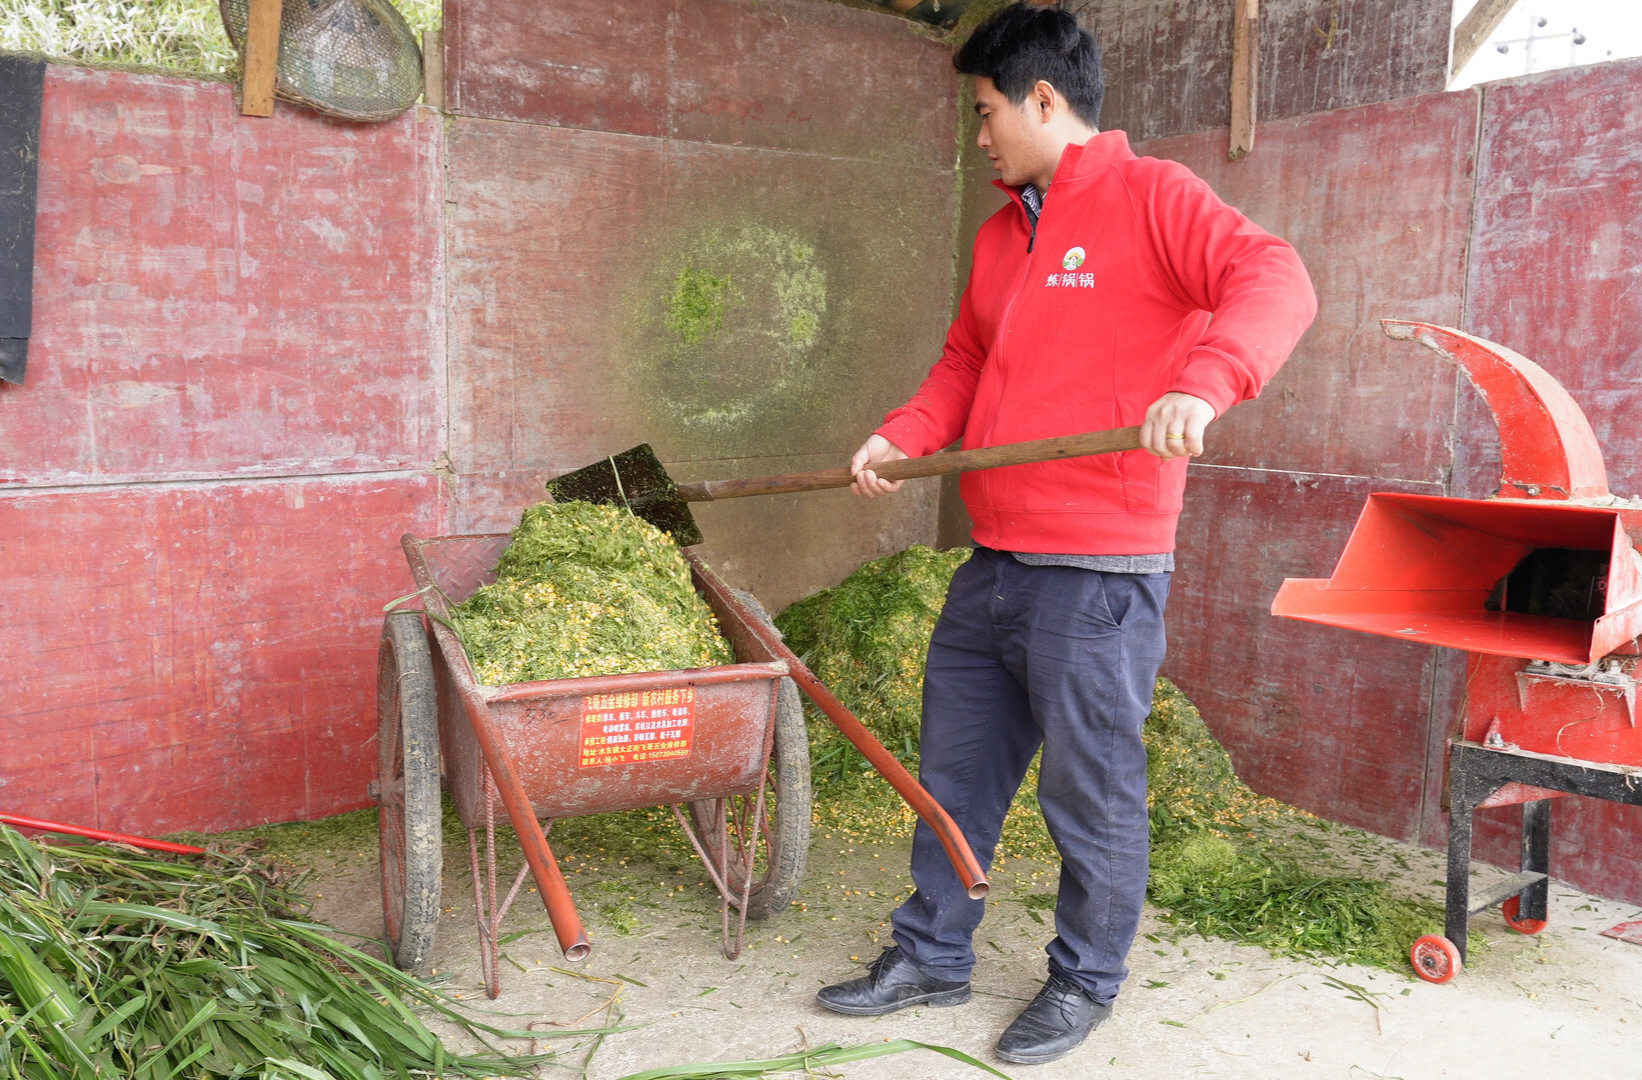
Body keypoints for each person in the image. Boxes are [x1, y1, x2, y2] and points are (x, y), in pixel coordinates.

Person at [813, 2, 1317, 1066]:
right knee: (952, 779)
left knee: (1089, 796)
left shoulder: (1151, 196)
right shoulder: (1004, 231)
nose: (979, 134)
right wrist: (896, 437)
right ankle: (931, 956)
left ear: (1045, 98)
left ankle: (1083, 982)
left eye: (988, 111)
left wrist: (1207, 380)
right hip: (993, 565)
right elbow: (962, 366)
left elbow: (1274, 277)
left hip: (1099, 573)